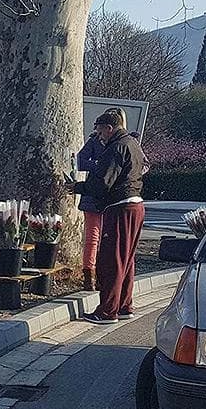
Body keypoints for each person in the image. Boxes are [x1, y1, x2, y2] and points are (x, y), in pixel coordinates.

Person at [75, 110, 147, 324]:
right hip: (136, 204)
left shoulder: (116, 147)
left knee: (111, 260)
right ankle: (125, 305)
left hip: (119, 208)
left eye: (100, 131)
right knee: (127, 259)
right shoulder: (133, 143)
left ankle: (107, 311)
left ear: (109, 127)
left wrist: (77, 187)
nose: (99, 136)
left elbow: (102, 183)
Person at [75, 106, 127, 291]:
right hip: (94, 194)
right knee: (93, 237)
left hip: (113, 196)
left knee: (108, 238)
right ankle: (89, 275)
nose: (100, 133)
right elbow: (80, 160)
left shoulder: (125, 142)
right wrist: (98, 165)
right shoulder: (95, 141)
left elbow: (143, 164)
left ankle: (103, 273)